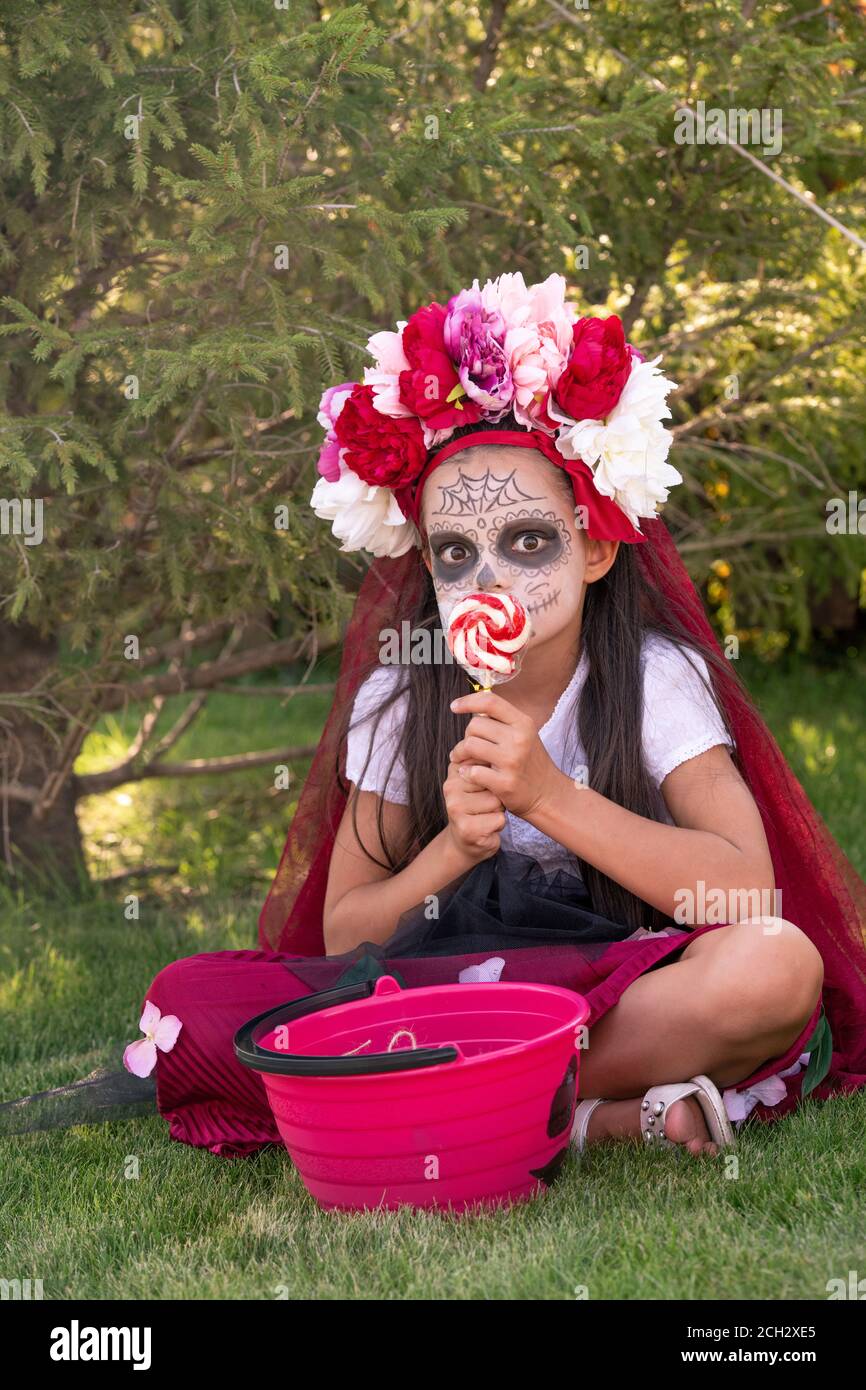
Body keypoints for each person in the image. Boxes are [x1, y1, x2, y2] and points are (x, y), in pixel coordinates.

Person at [90, 274, 866, 1162]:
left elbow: (741, 892)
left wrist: (549, 796)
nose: (488, 578)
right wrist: (452, 850)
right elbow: (348, 931)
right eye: (456, 553)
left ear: (598, 545)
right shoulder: (401, 700)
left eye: (529, 541)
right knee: (185, 1006)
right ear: (424, 562)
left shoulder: (653, 679)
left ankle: (431, 1105)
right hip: (437, 988)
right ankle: (577, 1120)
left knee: (773, 967)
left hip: (614, 984)